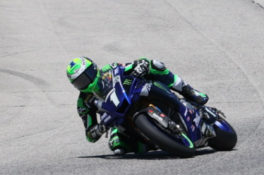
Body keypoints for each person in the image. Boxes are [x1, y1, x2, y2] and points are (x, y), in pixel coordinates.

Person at [66, 56, 208, 155]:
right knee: (116, 146)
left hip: (134, 94)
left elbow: (129, 66)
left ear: (94, 69)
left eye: (87, 75)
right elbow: (90, 135)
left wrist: (140, 65)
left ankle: (189, 90)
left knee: (155, 65)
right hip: (118, 121)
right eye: (80, 81)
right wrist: (100, 128)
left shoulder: (110, 69)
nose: (86, 82)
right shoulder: (83, 103)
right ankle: (152, 141)